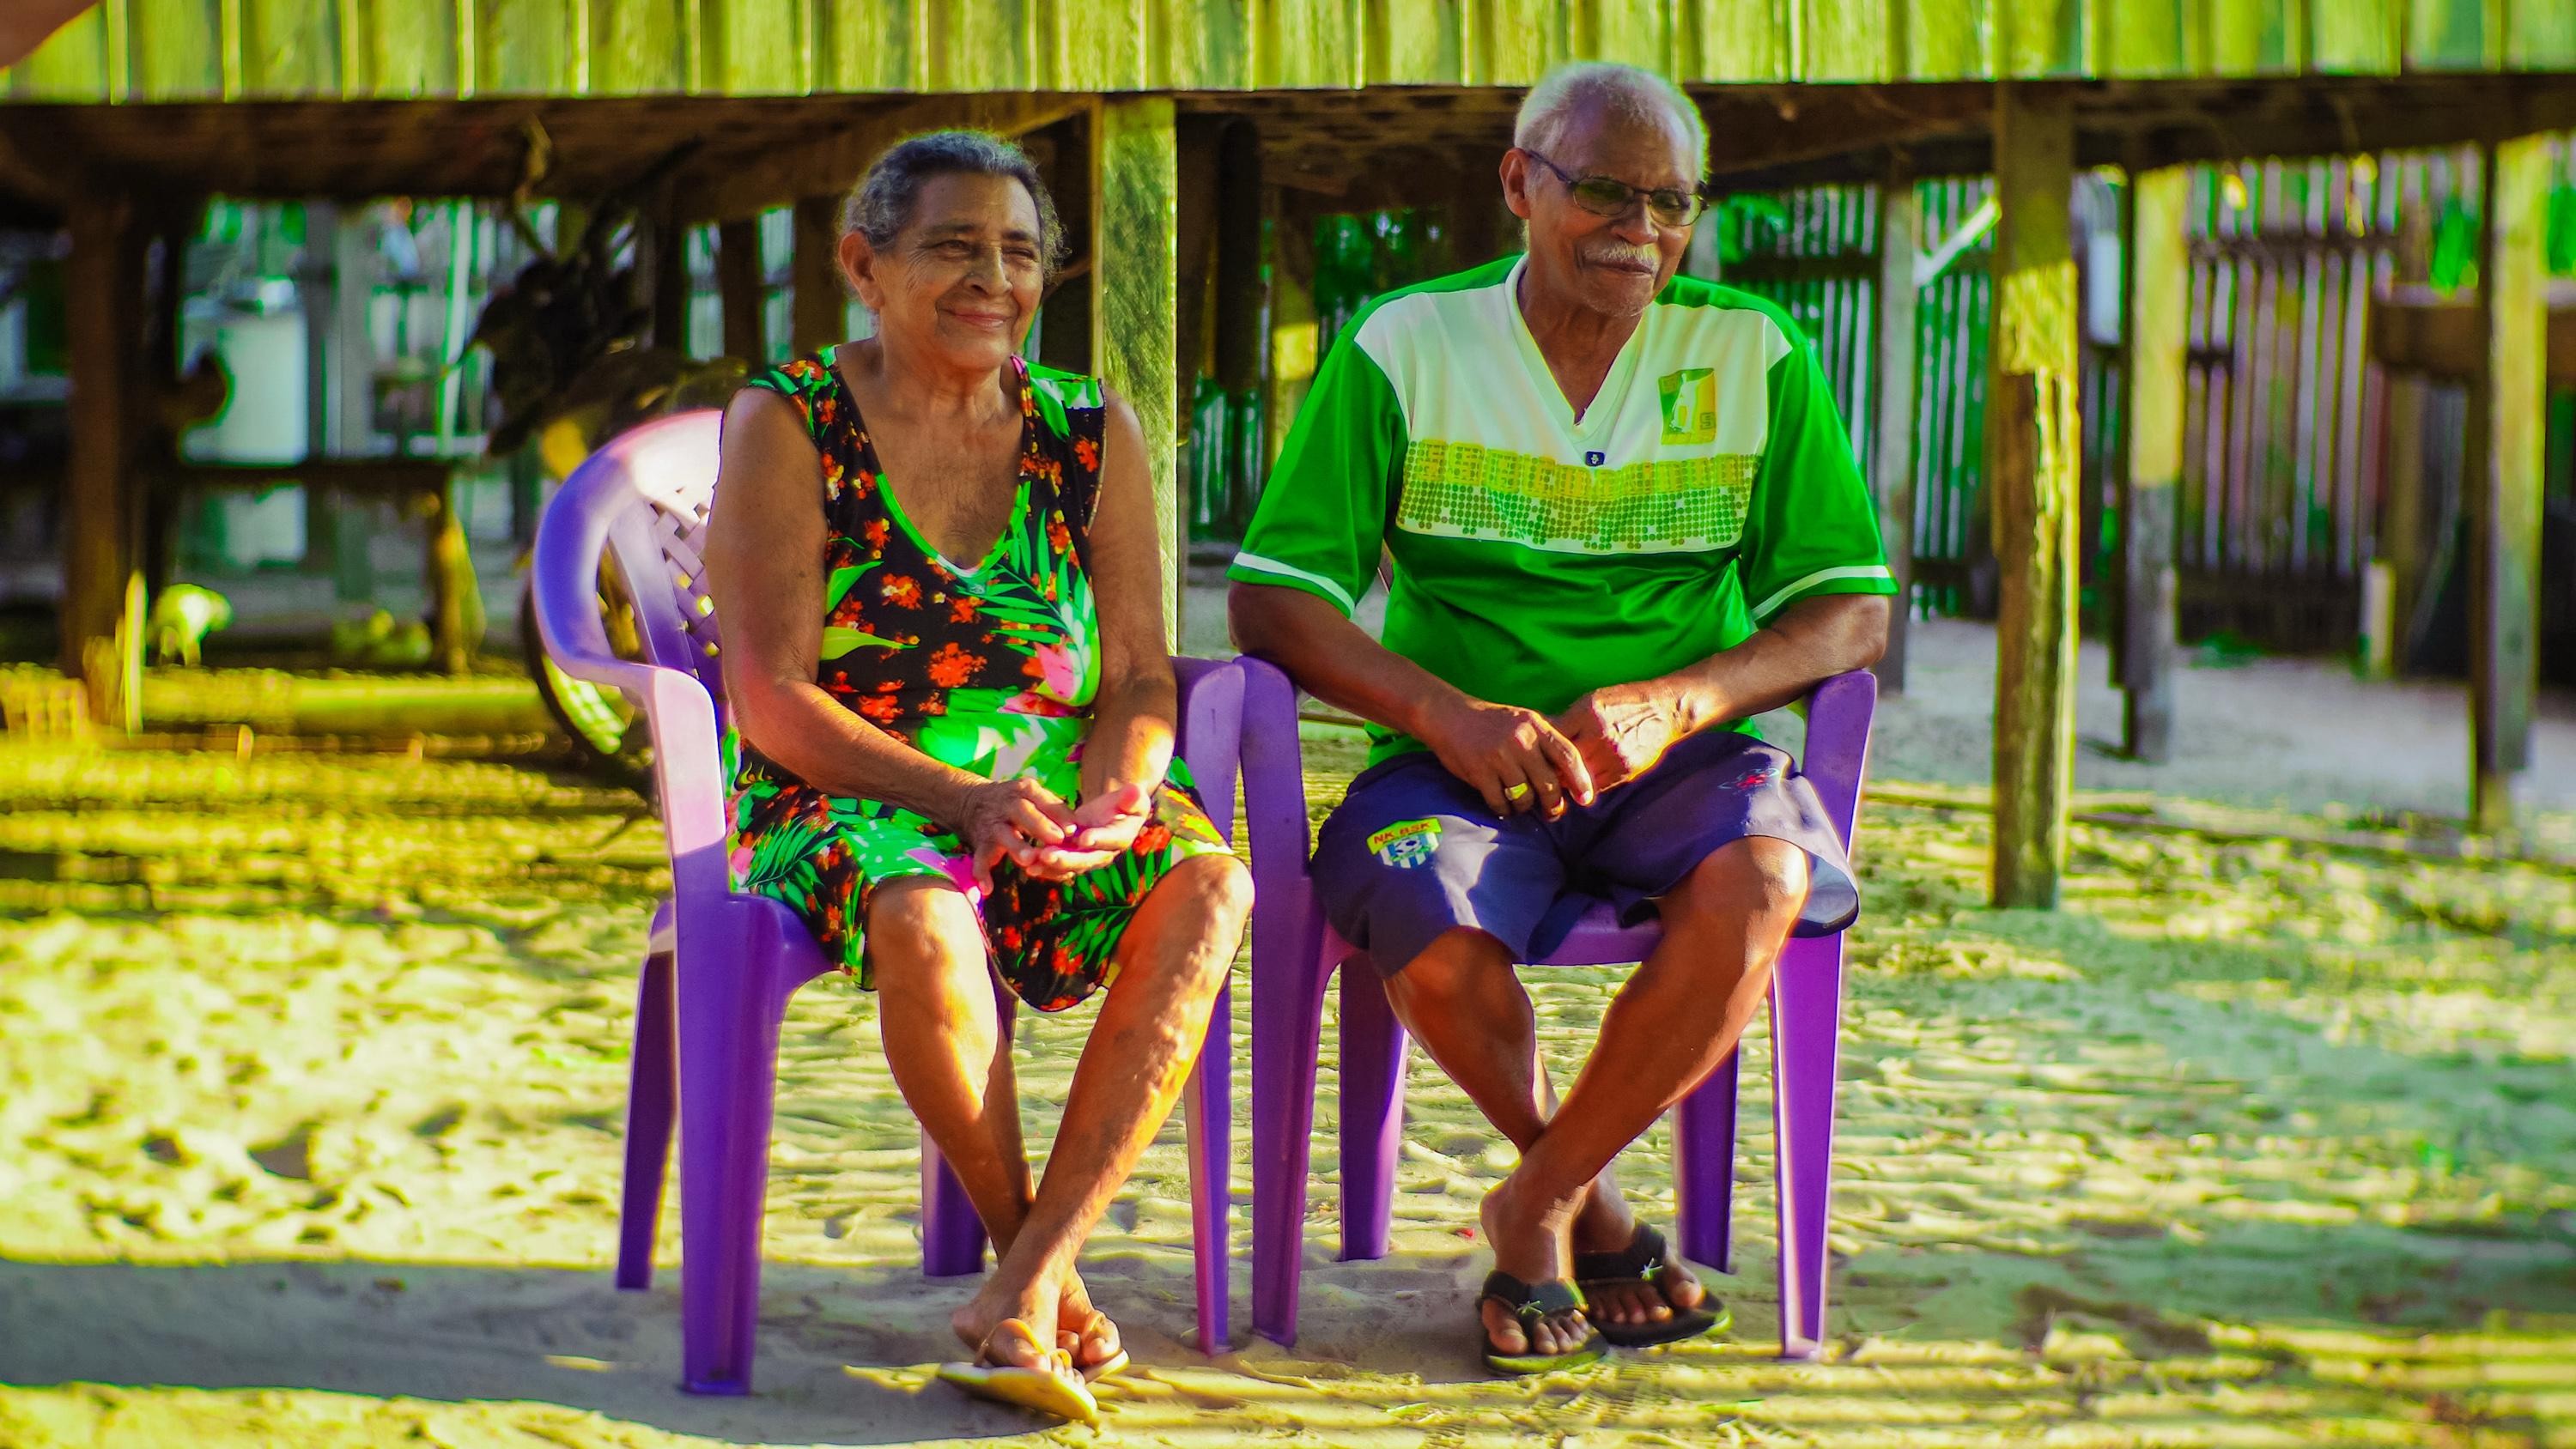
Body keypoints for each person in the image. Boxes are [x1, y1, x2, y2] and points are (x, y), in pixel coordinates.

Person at [1228, 62, 1893, 1375]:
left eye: (1670, 201)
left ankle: (1532, 1205)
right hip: (1455, 762)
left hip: (1685, 760)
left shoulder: (1751, 351)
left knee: (1768, 876)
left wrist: (1681, 698)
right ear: (1519, 183)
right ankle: (1601, 1211)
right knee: (1423, 918)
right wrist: (1450, 714)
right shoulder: (1404, 344)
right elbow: (1276, 606)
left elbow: (1848, 615)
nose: (1639, 229)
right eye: (1603, 192)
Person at [702, 130, 1252, 1420]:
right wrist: (957, 800)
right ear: (864, 265)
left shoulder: (1085, 425)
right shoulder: (789, 420)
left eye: (1018, 252)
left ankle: (1025, 1275)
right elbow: (771, 696)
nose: (992, 278)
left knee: (1212, 889)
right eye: (952, 246)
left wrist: (1124, 789)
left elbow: (1137, 672)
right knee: (924, 917)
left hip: (1053, 788)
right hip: (851, 784)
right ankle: (1039, 1266)